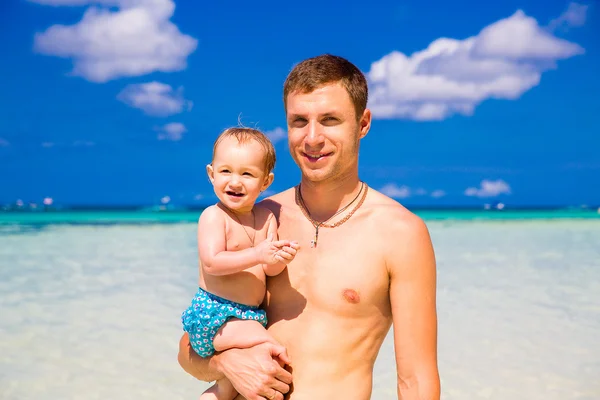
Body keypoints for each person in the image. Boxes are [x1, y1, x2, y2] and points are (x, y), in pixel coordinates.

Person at [178, 54, 440, 400]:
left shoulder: (400, 233)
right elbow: (190, 347)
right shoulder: (256, 217)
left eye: (329, 120)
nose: (312, 138)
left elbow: (416, 381)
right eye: (299, 121)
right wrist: (226, 366)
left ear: (362, 124)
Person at [181, 127, 300, 400]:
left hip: (246, 315)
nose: (235, 182)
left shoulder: (267, 218)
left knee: (230, 388)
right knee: (270, 347)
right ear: (211, 174)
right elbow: (212, 263)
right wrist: (258, 254)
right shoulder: (214, 216)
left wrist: (279, 258)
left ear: (265, 181)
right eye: (226, 171)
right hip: (215, 314)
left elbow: (269, 268)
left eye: (247, 174)